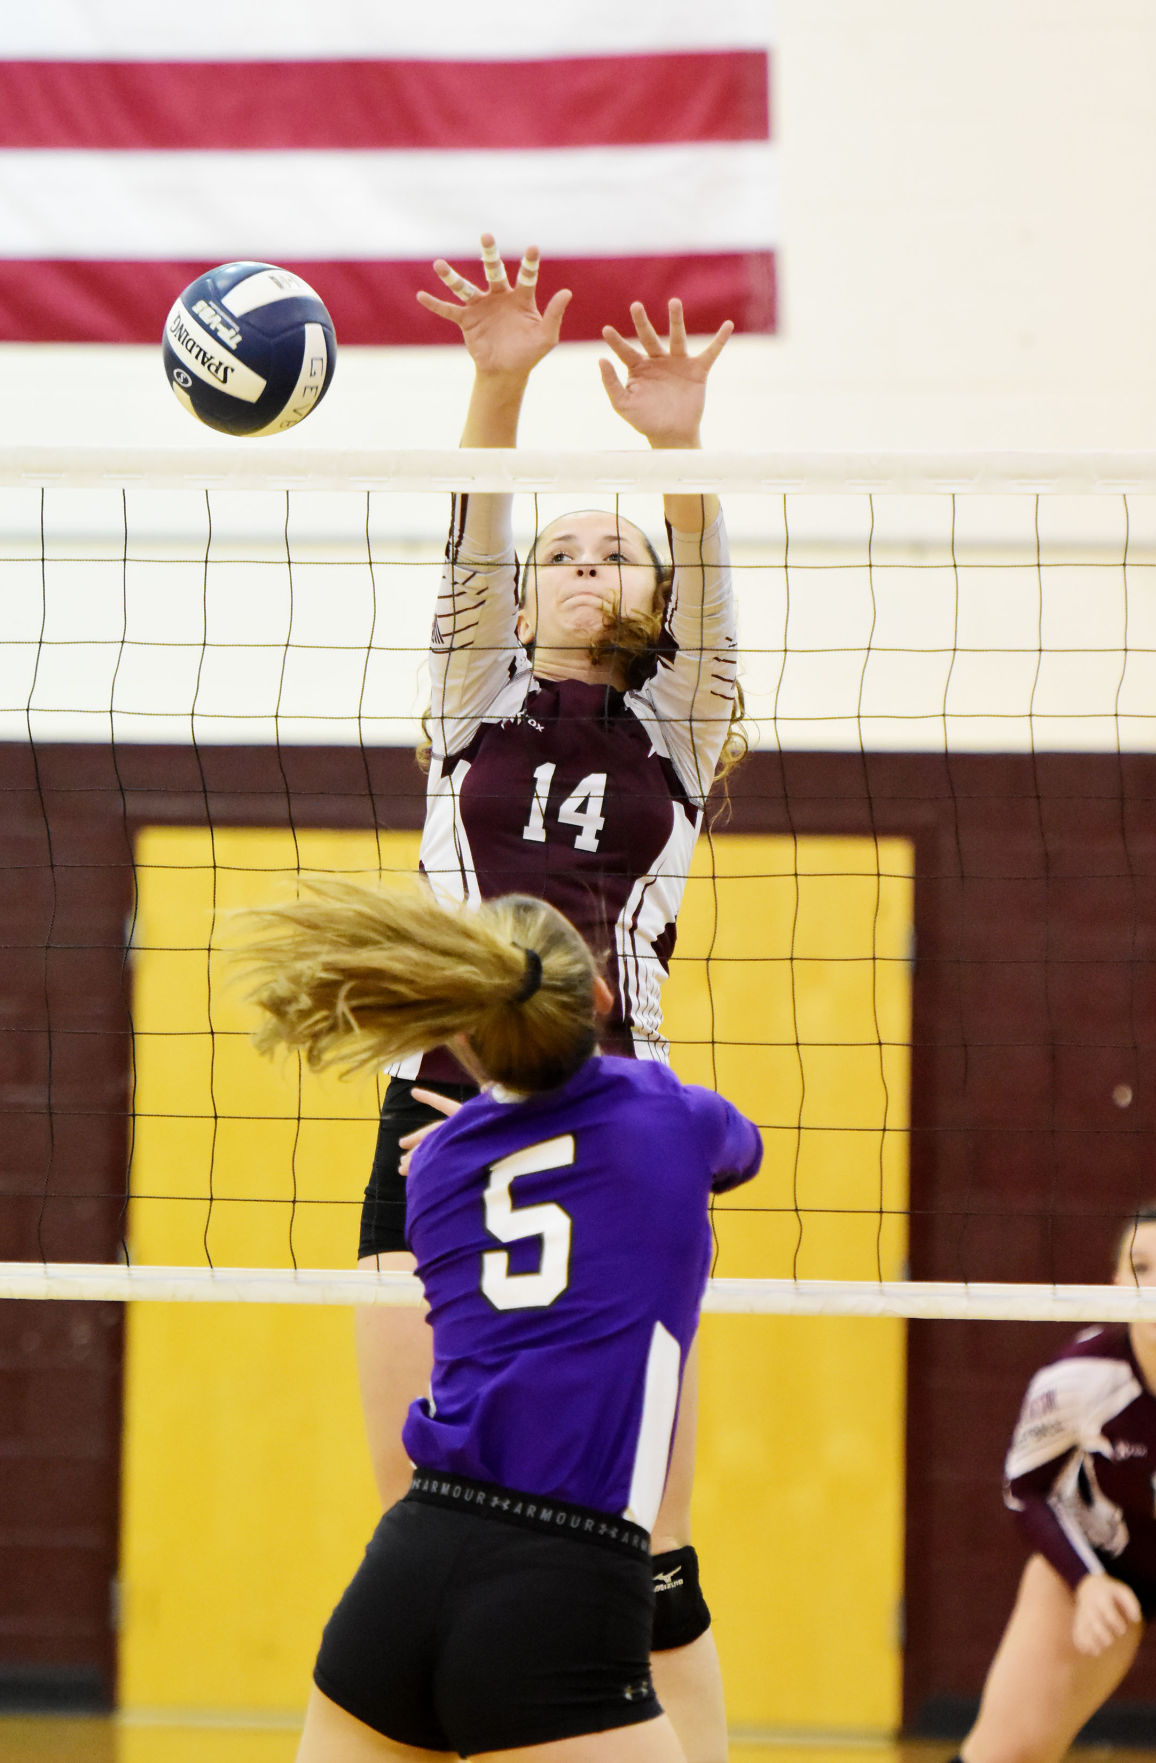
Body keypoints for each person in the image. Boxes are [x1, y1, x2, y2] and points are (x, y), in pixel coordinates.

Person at [356, 235, 743, 1758]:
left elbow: (712, 601)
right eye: (563, 553)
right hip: (439, 1102)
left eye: (619, 550)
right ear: (525, 599)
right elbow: (467, 540)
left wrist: (679, 459)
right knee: (416, 1525)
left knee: (642, 1544)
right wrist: (496, 379)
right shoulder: (471, 701)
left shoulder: (688, 727)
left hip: (615, 1122)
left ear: (648, 593)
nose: (591, 564)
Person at [240, 878, 763, 1763]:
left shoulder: (436, 1170)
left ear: (459, 1033)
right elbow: (736, 1151)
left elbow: (511, 1155)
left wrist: (484, 1119)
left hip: (403, 1576)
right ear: (600, 997)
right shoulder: (675, 1116)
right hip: (559, 1585)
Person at [952, 1203, 1156, 1763]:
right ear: (1116, 1282)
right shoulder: (1079, 1379)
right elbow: (1025, 1489)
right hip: (1106, 1560)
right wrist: (1086, 1581)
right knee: (1008, 1751)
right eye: (1142, 1268)